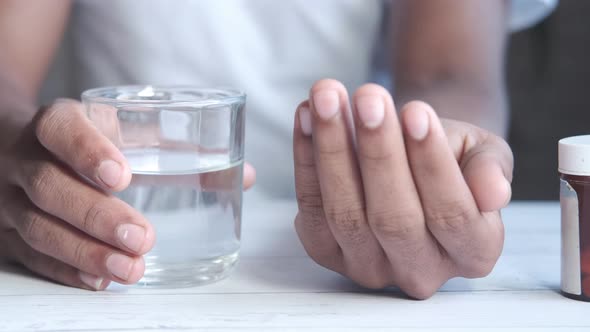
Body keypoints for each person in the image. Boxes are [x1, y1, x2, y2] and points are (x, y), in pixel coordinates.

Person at [0, 0, 554, 299]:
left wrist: (438, 162)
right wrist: (18, 147)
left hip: (351, 217)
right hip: (113, 229)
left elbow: (449, 71)